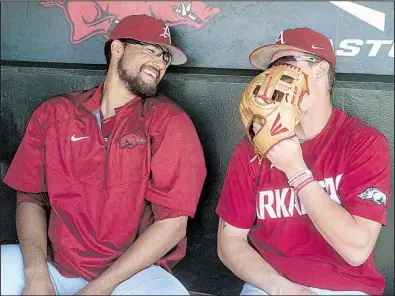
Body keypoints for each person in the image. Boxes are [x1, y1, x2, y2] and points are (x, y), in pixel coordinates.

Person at [1, 14, 206, 295]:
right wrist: (36, 275)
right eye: (151, 50)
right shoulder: (55, 113)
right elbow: (30, 197)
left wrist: (98, 289)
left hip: (132, 276)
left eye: (165, 58)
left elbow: (172, 226)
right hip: (55, 268)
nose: (160, 64)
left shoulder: (169, 122)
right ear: (117, 48)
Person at [216, 27, 390, 295]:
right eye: (270, 67)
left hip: (346, 287)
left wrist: (296, 170)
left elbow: (357, 250)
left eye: (285, 64)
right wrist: (283, 289)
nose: (273, 76)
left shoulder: (363, 141)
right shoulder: (252, 146)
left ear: (320, 70)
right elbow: (229, 240)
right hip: (271, 284)